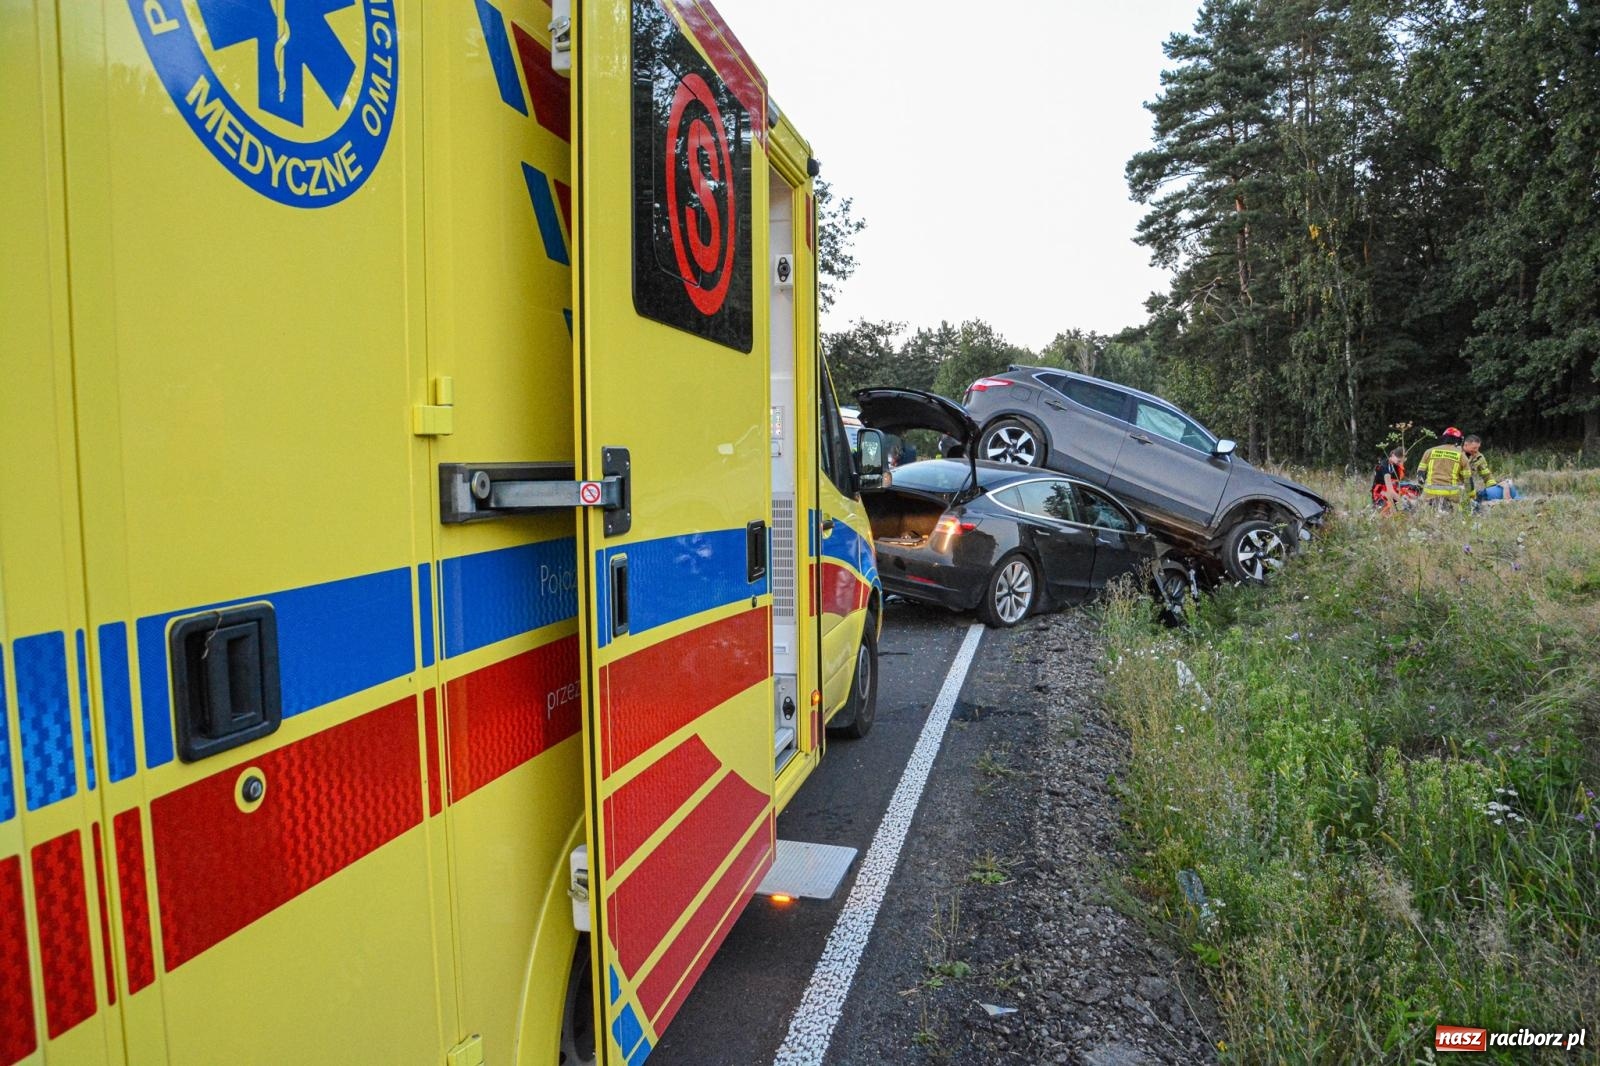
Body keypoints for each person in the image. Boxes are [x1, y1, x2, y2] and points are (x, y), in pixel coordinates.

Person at [1414, 427, 1470, 511]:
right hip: (1451, 494)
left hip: (1430, 492)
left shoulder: (1429, 451)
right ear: (1458, 440)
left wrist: (1422, 490)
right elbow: (1468, 479)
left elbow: (1420, 475)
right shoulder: (1461, 455)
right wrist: (1472, 495)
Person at [1462, 434, 1522, 502]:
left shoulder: (1479, 457)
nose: (1476, 450)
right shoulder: (1457, 453)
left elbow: (1487, 475)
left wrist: (1493, 488)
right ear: (1466, 445)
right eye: (1474, 448)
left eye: (1478, 448)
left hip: (1467, 487)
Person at [1370, 445, 1409, 514]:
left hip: (1393, 490)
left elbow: (1397, 484)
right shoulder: (1384, 467)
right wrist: (1403, 503)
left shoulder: (1396, 465)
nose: (1400, 464)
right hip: (1380, 492)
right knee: (1389, 511)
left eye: (1402, 461)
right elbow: (1390, 491)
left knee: (1412, 491)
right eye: (1399, 461)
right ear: (1393, 455)